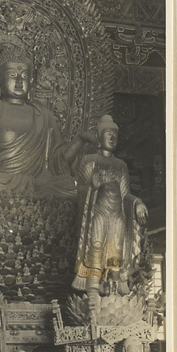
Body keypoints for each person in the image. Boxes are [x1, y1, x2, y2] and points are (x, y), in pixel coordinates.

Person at [0, 46, 96, 199]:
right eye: (12, 75)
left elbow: (58, 162)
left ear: (31, 81)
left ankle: (32, 190)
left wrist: (80, 140)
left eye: (24, 76)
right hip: (1, 180)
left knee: (76, 186)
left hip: (38, 182)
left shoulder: (44, 115)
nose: (19, 82)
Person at [72, 115, 148, 311]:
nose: (112, 138)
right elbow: (79, 190)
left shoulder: (121, 165)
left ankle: (113, 291)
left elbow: (125, 195)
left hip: (117, 216)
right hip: (97, 213)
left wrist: (138, 203)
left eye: (115, 134)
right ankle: (92, 293)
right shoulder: (89, 160)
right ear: (98, 136)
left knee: (115, 252)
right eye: (108, 134)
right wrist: (93, 185)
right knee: (96, 247)